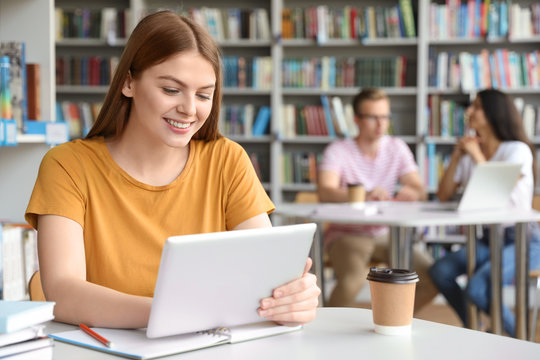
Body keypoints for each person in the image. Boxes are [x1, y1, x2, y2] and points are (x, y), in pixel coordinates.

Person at [25, 11, 320, 328]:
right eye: (171, 90)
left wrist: (290, 299)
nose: (190, 109)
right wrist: (174, 314)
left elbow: (263, 282)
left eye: (204, 94)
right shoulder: (68, 165)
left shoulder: (227, 160)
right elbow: (64, 293)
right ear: (128, 82)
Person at [428, 89, 540, 337]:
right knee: (440, 271)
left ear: (494, 113)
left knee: (478, 288)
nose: (469, 112)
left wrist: (476, 155)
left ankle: (522, 342)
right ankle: (475, 328)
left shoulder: (516, 149)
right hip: (488, 241)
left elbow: (499, 187)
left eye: (477, 106)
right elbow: (443, 195)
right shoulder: (469, 153)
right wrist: (457, 157)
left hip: (524, 240)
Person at [317, 88, 438, 310]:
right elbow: (325, 191)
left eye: (385, 117)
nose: (381, 124)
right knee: (353, 281)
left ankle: (390, 320)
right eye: (373, 117)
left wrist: (413, 192)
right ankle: (324, 326)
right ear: (357, 119)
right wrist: (364, 194)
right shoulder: (339, 150)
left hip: (386, 234)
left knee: (433, 276)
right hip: (346, 234)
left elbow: (419, 190)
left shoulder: (396, 147)